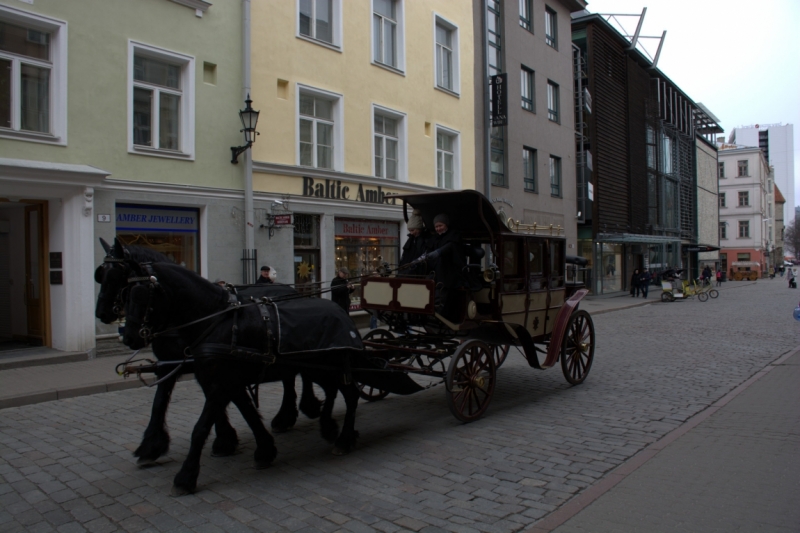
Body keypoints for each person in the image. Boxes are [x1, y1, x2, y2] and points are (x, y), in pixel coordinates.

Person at [425, 214, 466, 317]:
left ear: (446, 225)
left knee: (442, 295)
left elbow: (450, 247)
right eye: (436, 227)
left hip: (449, 273)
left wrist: (438, 252)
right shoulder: (435, 238)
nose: (438, 229)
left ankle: (440, 315)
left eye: (440, 226)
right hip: (436, 272)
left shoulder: (454, 236)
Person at [399, 209, 430, 276]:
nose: (411, 233)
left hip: (418, 273)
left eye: (413, 230)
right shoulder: (410, 240)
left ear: (419, 228)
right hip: (407, 272)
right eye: (410, 231)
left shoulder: (426, 240)